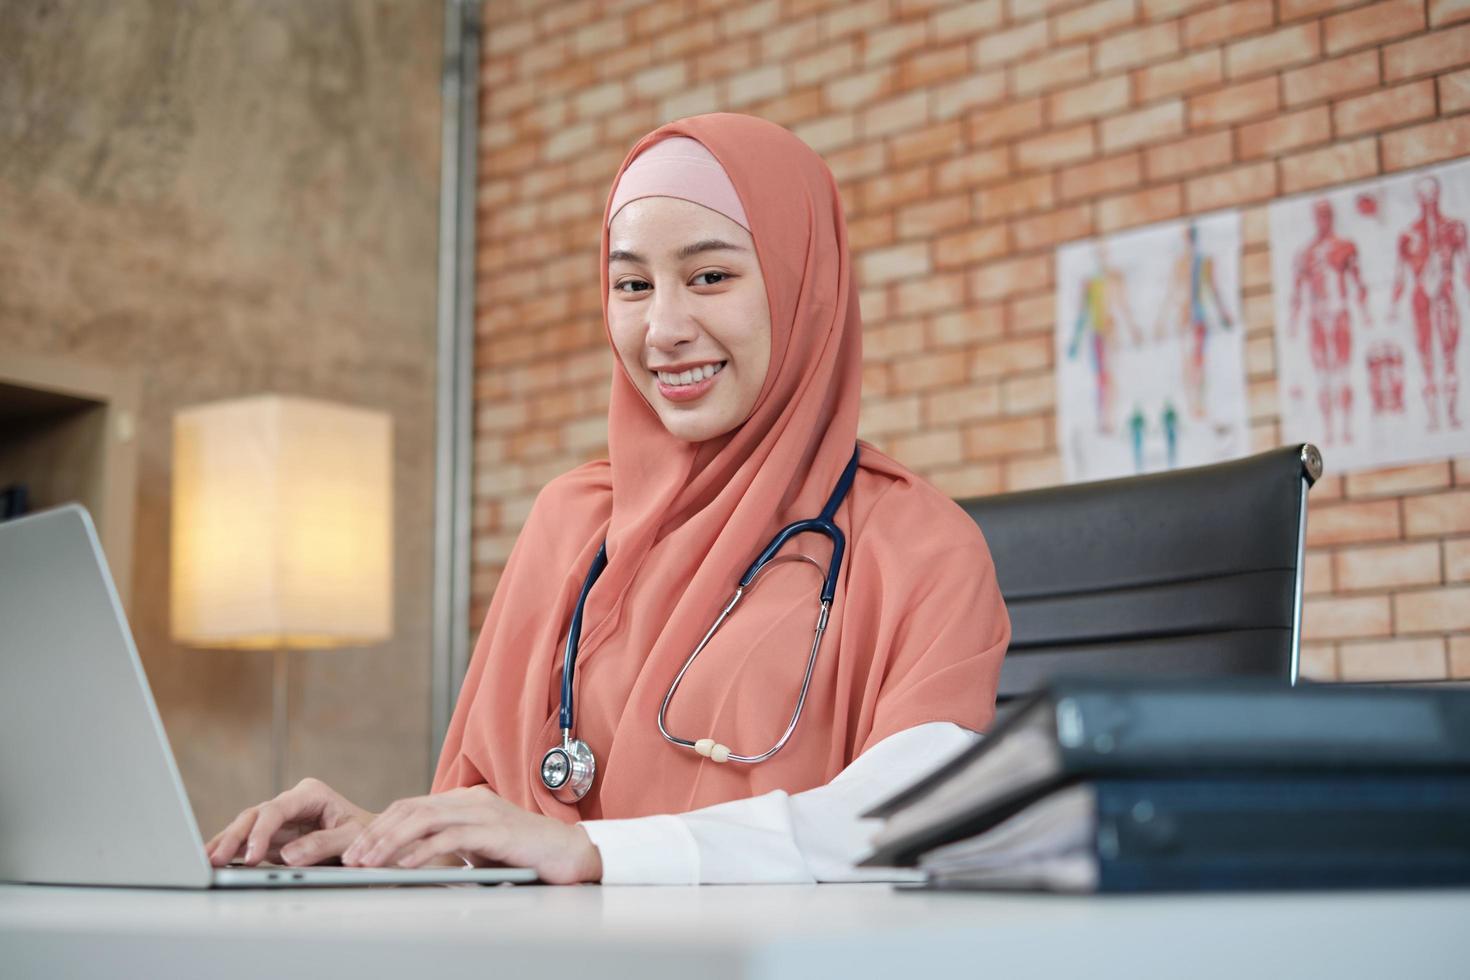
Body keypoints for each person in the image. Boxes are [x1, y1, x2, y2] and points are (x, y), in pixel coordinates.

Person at [207, 113, 1010, 885]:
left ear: (807, 285)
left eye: (710, 276)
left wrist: (601, 852)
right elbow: (508, 821)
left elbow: (904, 816)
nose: (662, 328)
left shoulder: (920, 548)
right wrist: (392, 848)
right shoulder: (572, 522)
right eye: (632, 284)